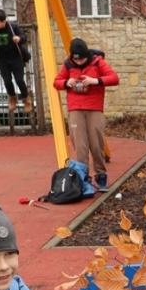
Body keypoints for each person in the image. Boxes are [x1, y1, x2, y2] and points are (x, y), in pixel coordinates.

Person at [52, 38, 119, 191]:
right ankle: (83, 177)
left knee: (96, 143)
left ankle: (101, 175)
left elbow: (114, 78)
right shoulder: (68, 64)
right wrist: (66, 82)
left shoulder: (98, 62)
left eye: (82, 59)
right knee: (80, 145)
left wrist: (94, 81)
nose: (80, 62)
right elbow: (56, 82)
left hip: (94, 108)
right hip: (75, 108)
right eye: (77, 59)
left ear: (86, 55)